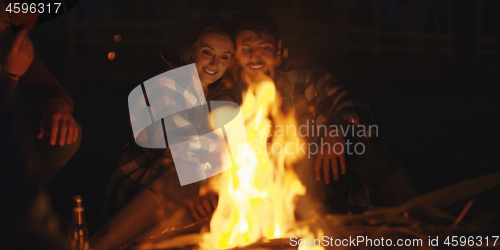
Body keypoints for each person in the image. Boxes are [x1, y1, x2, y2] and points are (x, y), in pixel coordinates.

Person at [228, 10, 417, 214]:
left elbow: (350, 99)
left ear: (278, 48)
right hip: (266, 202)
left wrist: (336, 129)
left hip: (321, 187)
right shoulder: (229, 98)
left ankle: (414, 212)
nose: (255, 56)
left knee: (358, 140)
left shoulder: (302, 78)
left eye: (264, 47)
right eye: (246, 49)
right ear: (236, 53)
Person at [90, 17, 237, 250]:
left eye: (224, 57)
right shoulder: (166, 87)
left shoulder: (219, 104)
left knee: (222, 206)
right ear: (192, 52)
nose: (214, 63)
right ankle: (98, 245)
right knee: (190, 177)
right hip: (138, 186)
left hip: (188, 195)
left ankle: (135, 246)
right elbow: (177, 153)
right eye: (208, 52)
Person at [0, 0, 81, 188]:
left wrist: (58, 106)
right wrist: (9, 75)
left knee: (64, 134)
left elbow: (42, 84)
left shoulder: (10, 39)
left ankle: (19, 206)